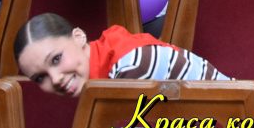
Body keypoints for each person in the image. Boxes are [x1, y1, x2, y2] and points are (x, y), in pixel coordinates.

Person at [15, 13, 229, 96]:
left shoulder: (133, 66)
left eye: (56, 59)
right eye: (40, 78)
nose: (55, 79)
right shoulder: (104, 73)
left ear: (78, 37)